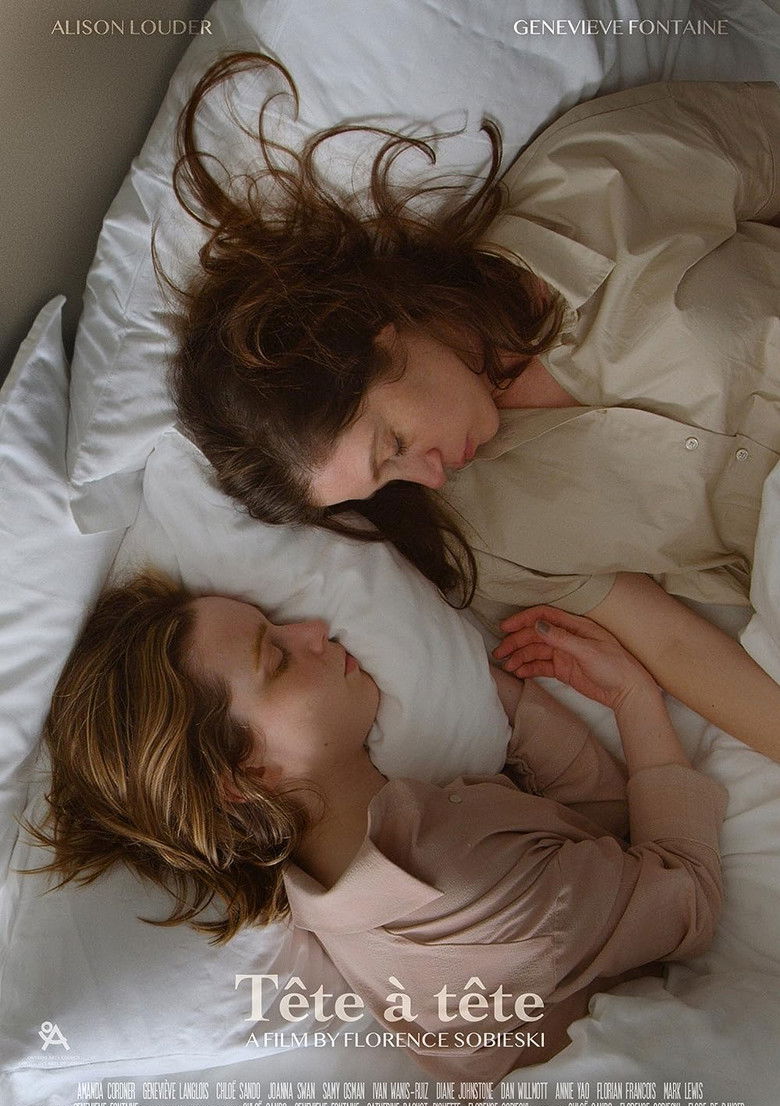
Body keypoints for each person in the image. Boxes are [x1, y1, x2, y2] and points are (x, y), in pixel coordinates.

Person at [166, 53, 780, 763]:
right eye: (386, 482)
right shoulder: (483, 536)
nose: (429, 477)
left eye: (392, 445)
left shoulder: (590, 182)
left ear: (380, 332)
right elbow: (674, 645)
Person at [32, 573, 727, 1081]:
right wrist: (634, 698)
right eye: (277, 658)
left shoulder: (335, 890)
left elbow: (584, 839)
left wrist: (498, 692)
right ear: (242, 774)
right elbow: (687, 895)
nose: (312, 630)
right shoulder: (458, 882)